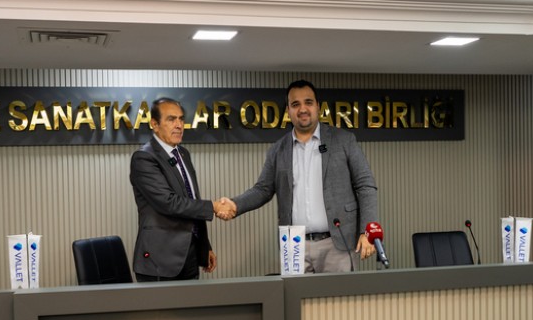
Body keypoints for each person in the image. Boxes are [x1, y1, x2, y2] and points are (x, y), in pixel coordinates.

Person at [219, 80, 378, 272]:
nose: (302, 109)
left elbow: (365, 185)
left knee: (340, 293)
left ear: (318, 106)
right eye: (295, 104)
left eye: (308, 102)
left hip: (339, 244)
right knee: (294, 293)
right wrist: (235, 205)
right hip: (294, 247)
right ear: (288, 110)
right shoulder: (278, 149)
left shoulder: (344, 140)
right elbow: (263, 189)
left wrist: (367, 230)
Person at [130, 98, 233, 281]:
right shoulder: (144, 158)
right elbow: (169, 203)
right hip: (160, 262)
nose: (179, 125)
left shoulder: (183, 154)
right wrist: (214, 206)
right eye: (171, 119)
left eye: (181, 119)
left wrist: (204, 246)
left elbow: (192, 199)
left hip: (189, 255)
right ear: (155, 124)